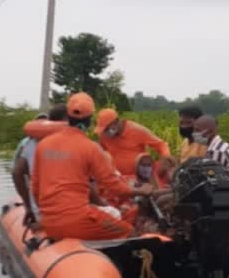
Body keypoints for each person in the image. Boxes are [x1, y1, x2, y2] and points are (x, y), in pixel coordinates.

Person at [32, 93, 153, 240]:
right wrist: (141, 190)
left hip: (49, 222)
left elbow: (35, 188)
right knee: (130, 232)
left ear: (68, 116)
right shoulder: (91, 148)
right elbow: (115, 187)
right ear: (90, 119)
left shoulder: (44, 144)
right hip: (78, 219)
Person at [12, 106, 66, 225]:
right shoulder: (71, 141)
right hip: (67, 213)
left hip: (40, 211)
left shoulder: (30, 142)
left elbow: (16, 173)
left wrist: (28, 207)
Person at [95, 108, 171, 176]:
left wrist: (165, 160)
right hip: (116, 179)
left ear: (116, 122)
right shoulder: (104, 135)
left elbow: (161, 145)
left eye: (106, 129)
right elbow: (101, 152)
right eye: (104, 130)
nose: (105, 132)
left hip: (137, 178)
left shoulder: (137, 130)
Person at [192, 115, 229, 181]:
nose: (194, 134)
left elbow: (212, 179)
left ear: (210, 132)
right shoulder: (221, 147)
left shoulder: (217, 151)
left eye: (197, 130)